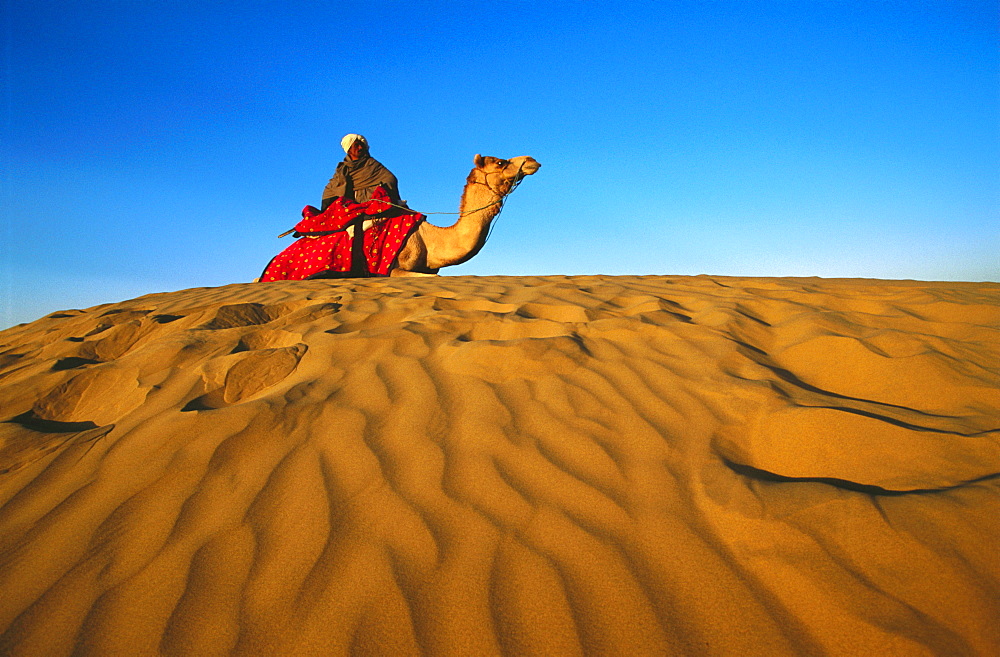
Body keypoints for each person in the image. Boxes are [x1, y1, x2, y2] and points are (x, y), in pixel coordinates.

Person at [321, 134, 403, 211]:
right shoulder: (342, 170)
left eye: (361, 145)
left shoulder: (371, 164)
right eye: (356, 146)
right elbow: (332, 188)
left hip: (371, 201)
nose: (360, 148)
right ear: (349, 150)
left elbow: (390, 178)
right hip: (348, 204)